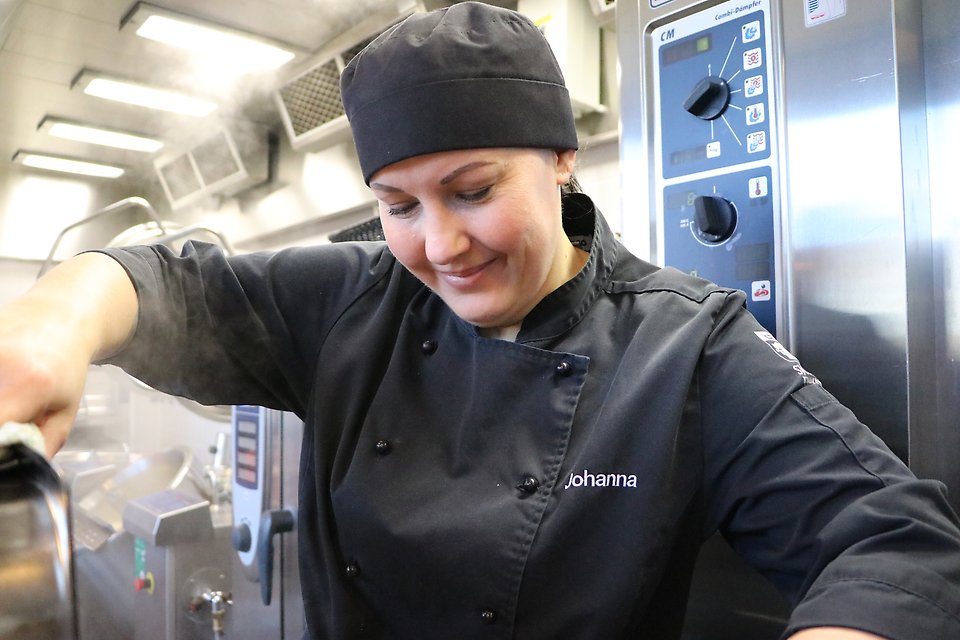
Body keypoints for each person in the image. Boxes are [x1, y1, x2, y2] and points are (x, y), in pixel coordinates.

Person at [1, 2, 959, 639]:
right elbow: (168, 284)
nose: (441, 244)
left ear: (560, 157)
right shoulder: (350, 301)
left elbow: (896, 543)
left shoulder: (684, 348)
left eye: (472, 190)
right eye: (399, 205)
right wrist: (49, 329)